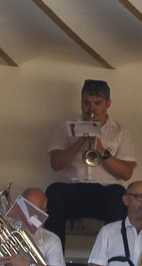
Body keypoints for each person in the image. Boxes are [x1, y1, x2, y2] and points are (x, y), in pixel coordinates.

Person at [43, 78, 136, 237]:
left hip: (106, 192)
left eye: (97, 103)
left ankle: (112, 257)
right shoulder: (67, 127)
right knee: (54, 191)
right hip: (74, 189)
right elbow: (56, 164)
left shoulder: (120, 131)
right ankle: (55, 256)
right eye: (86, 103)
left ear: (108, 103)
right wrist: (80, 141)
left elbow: (126, 173)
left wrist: (101, 150)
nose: (91, 108)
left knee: (119, 193)